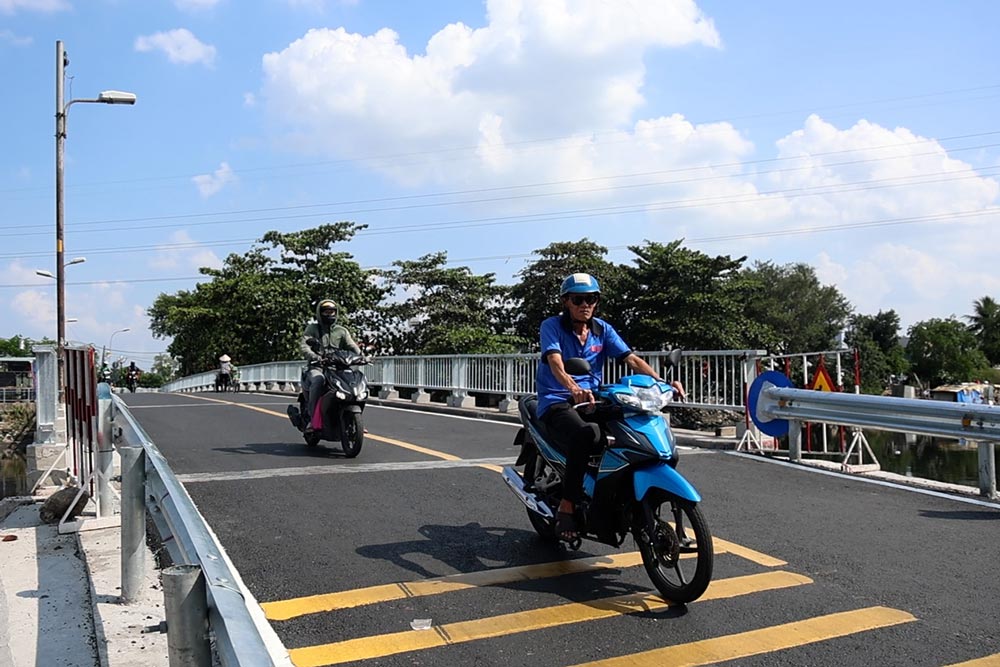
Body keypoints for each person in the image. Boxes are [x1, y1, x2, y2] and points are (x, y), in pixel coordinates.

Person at [535, 273, 685, 543]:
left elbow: (632, 360)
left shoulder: (602, 329)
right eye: (579, 299)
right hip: (558, 398)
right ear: (566, 301)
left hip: (595, 398)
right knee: (588, 435)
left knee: (633, 431)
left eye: (591, 299)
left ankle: (620, 497)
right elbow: (555, 362)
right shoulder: (552, 326)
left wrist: (663, 383)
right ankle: (567, 505)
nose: (585, 305)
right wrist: (572, 387)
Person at [301, 298, 362, 432]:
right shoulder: (313, 328)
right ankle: (312, 420)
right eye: (326, 312)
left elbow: (352, 346)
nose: (330, 314)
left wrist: (361, 356)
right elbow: (304, 347)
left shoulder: (341, 331)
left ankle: (356, 420)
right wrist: (315, 357)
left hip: (337, 367)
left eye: (332, 311)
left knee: (355, 380)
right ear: (320, 313)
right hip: (318, 367)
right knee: (319, 380)